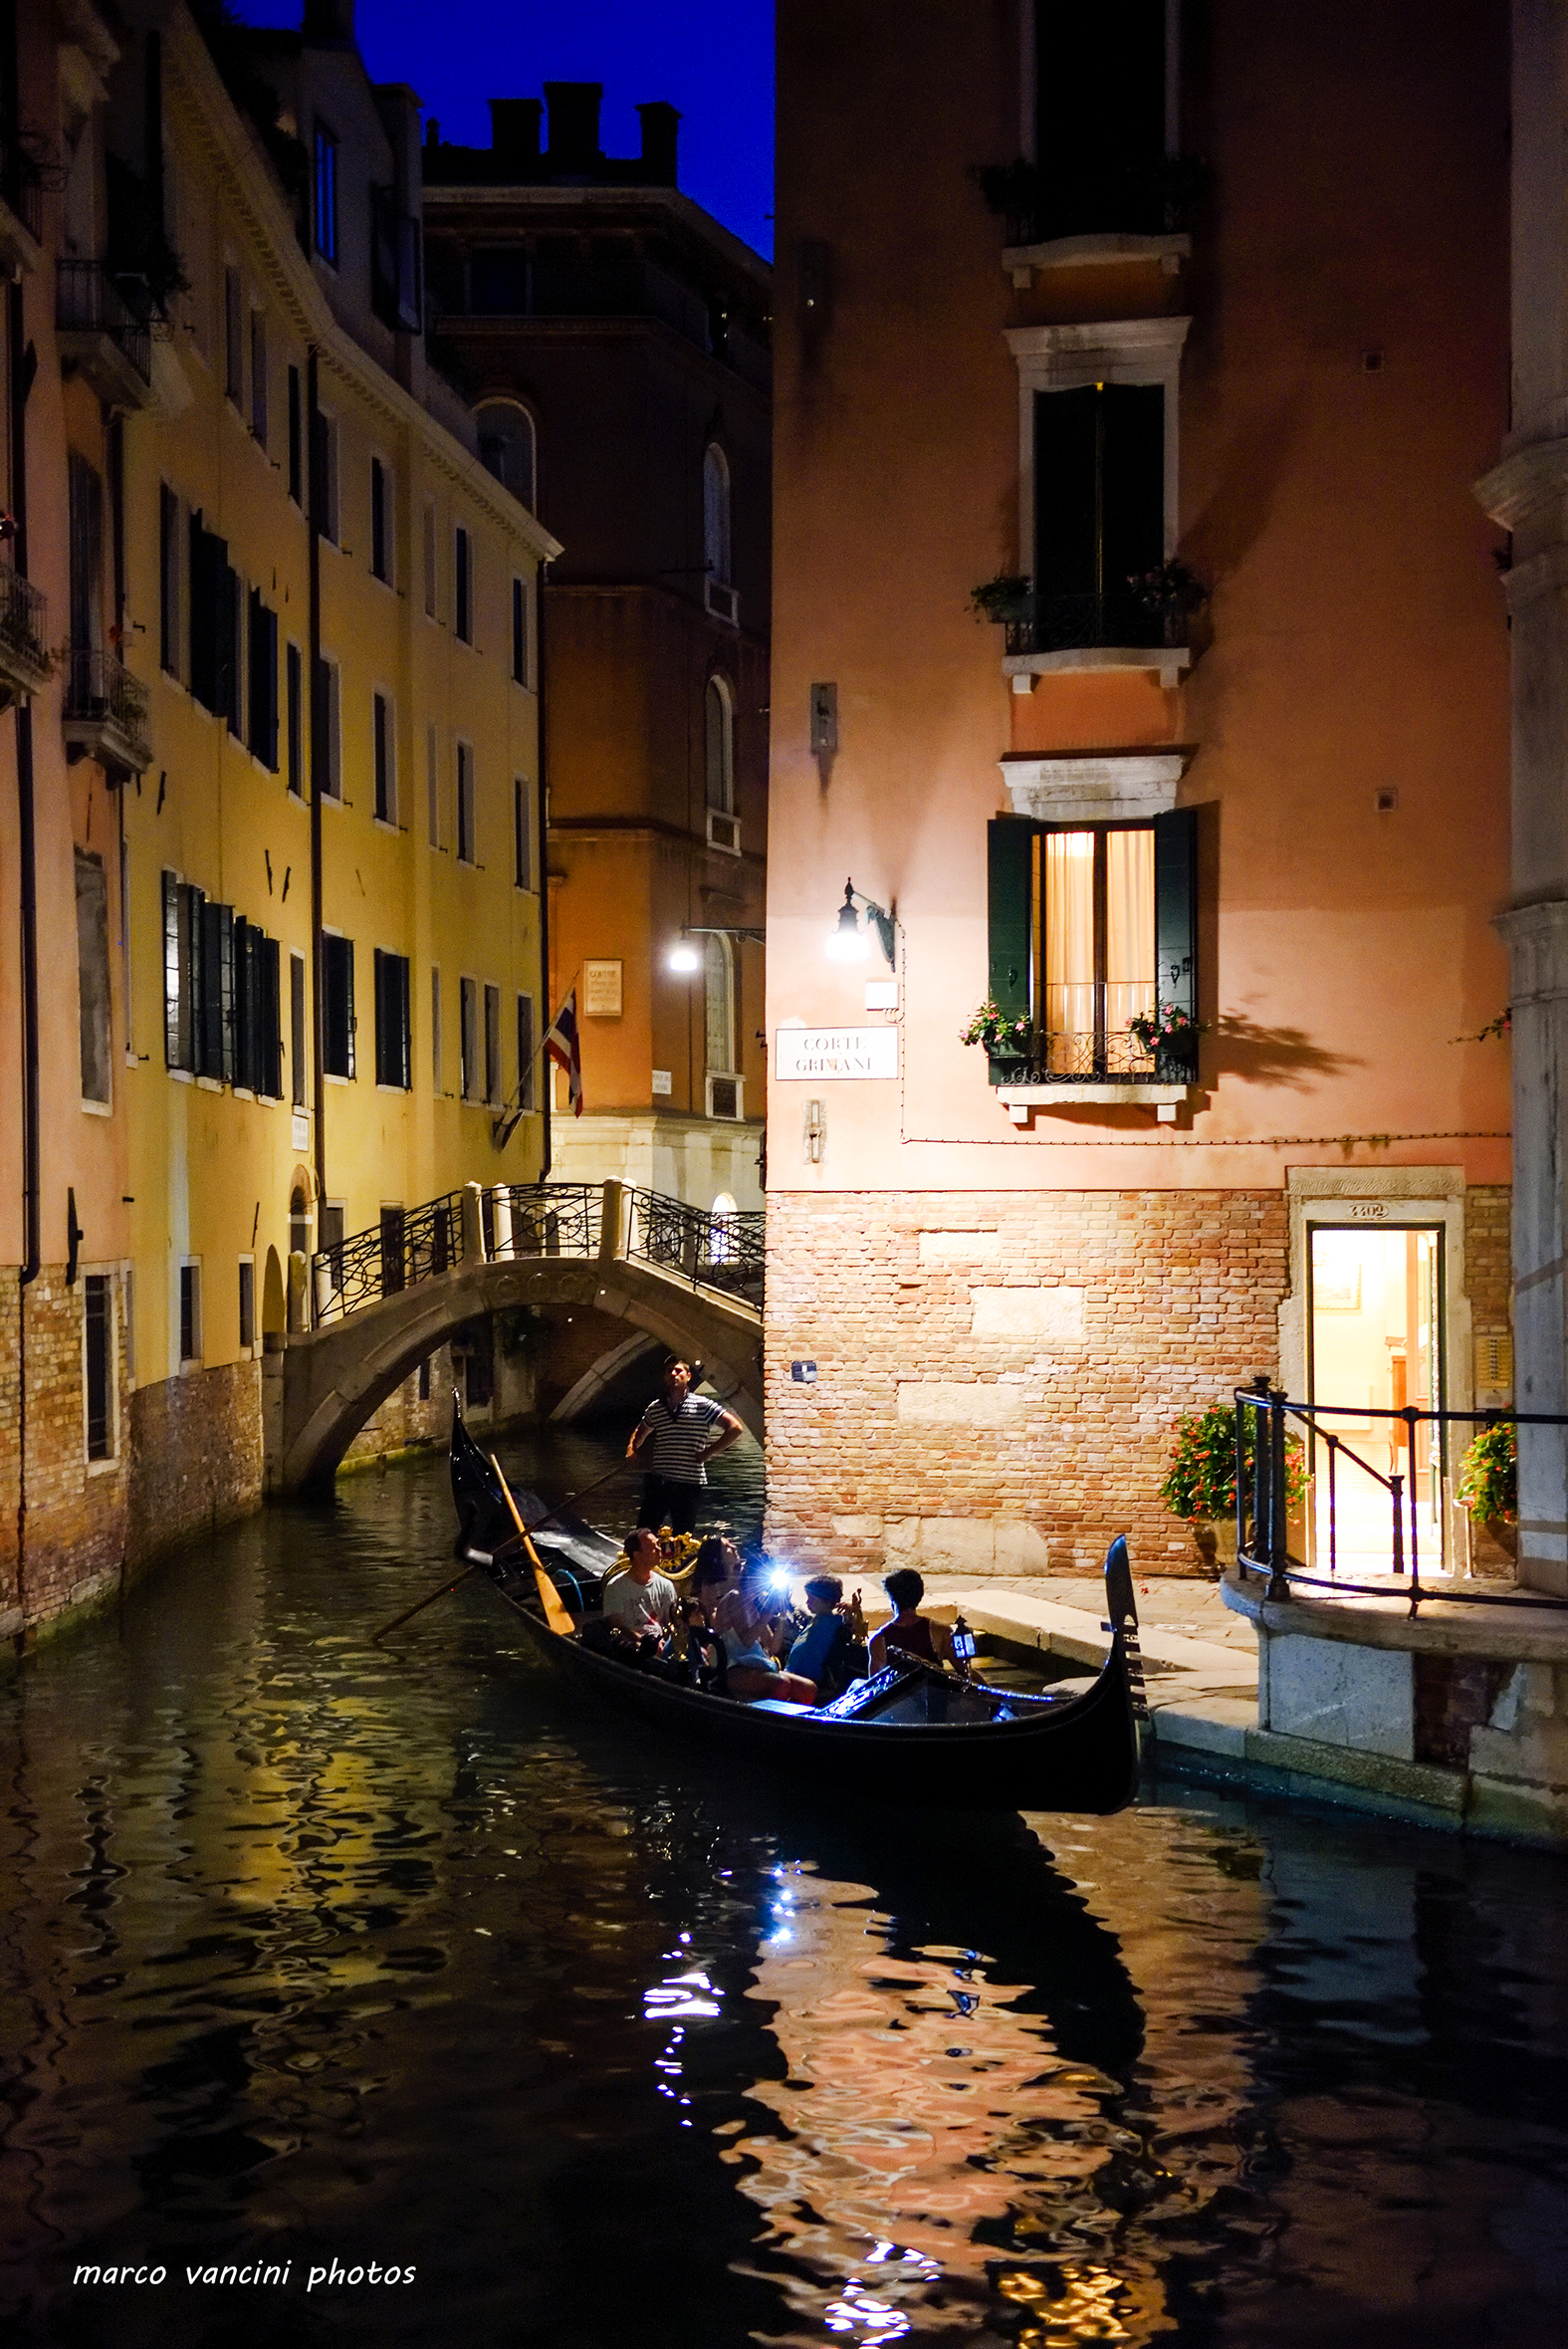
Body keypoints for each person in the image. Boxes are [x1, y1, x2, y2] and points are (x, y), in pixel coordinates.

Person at [626, 1357, 744, 1536]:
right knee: (643, 1532)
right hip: (659, 1482)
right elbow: (641, 1430)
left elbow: (735, 1428)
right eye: (669, 1371)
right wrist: (632, 1449)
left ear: (688, 1376)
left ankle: (679, 1563)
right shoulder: (656, 1408)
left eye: (678, 1370)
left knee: (683, 1536)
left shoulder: (703, 1405)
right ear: (665, 1377)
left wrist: (708, 1452)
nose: (673, 1374)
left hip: (688, 1485)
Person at [714, 1556, 816, 1703]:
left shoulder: (754, 1604)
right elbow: (746, 1641)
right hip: (731, 1666)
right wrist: (768, 1613)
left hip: (755, 1664)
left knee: (808, 1689)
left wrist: (781, 1614)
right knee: (781, 1684)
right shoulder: (735, 1597)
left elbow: (773, 1647)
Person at [592, 1527, 679, 1659]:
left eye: (657, 1545)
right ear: (636, 1554)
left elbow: (673, 1622)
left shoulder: (666, 1585)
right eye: (652, 1547)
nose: (659, 1550)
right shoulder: (616, 1587)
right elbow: (617, 1628)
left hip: (662, 1648)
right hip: (632, 1651)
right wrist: (645, 1642)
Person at [868, 1567, 959, 1675]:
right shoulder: (941, 1632)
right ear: (919, 1596)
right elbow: (966, 1671)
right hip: (934, 1690)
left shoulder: (878, 1640)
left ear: (892, 1600)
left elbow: (875, 1684)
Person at [785, 1575, 857, 1701]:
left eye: (812, 1599)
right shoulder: (816, 1619)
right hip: (794, 1672)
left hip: (810, 1676)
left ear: (828, 1601)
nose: (807, 1602)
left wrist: (852, 1611)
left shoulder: (834, 1621)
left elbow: (852, 1628)